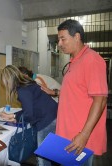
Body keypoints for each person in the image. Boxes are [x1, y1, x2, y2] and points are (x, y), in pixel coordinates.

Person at [56, 19, 108, 166]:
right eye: (58, 39)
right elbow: (76, 93)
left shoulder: (92, 59)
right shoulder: (75, 61)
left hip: (80, 139)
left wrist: (84, 135)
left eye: (63, 39)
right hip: (68, 135)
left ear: (77, 37)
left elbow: (101, 100)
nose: (59, 44)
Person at [0, 65, 57, 166]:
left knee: (43, 158)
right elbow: (29, 109)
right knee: (50, 153)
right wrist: (13, 116)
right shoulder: (28, 84)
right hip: (53, 116)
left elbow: (29, 114)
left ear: (8, 80)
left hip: (46, 121)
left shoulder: (22, 90)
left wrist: (15, 117)